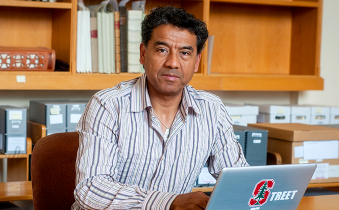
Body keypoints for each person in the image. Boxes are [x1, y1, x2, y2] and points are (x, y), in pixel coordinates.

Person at [72, 6, 248, 210]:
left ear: (197, 62)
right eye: (162, 50)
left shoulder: (212, 110)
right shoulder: (108, 105)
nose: (173, 63)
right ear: (143, 53)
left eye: (184, 53)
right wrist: (168, 202)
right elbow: (91, 190)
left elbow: (238, 180)